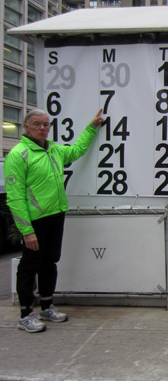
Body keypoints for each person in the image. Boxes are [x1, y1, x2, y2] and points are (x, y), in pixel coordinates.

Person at [4, 108, 104, 333]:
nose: (42, 128)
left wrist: (92, 127)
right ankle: (25, 314)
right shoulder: (18, 155)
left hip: (56, 215)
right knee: (29, 265)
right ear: (26, 127)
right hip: (35, 221)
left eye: (46, 124)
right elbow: (15, 197)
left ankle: (47, 306)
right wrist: (26, 230)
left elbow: (77, 150)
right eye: (37, 124)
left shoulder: (54, 150)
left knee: (50, 262)